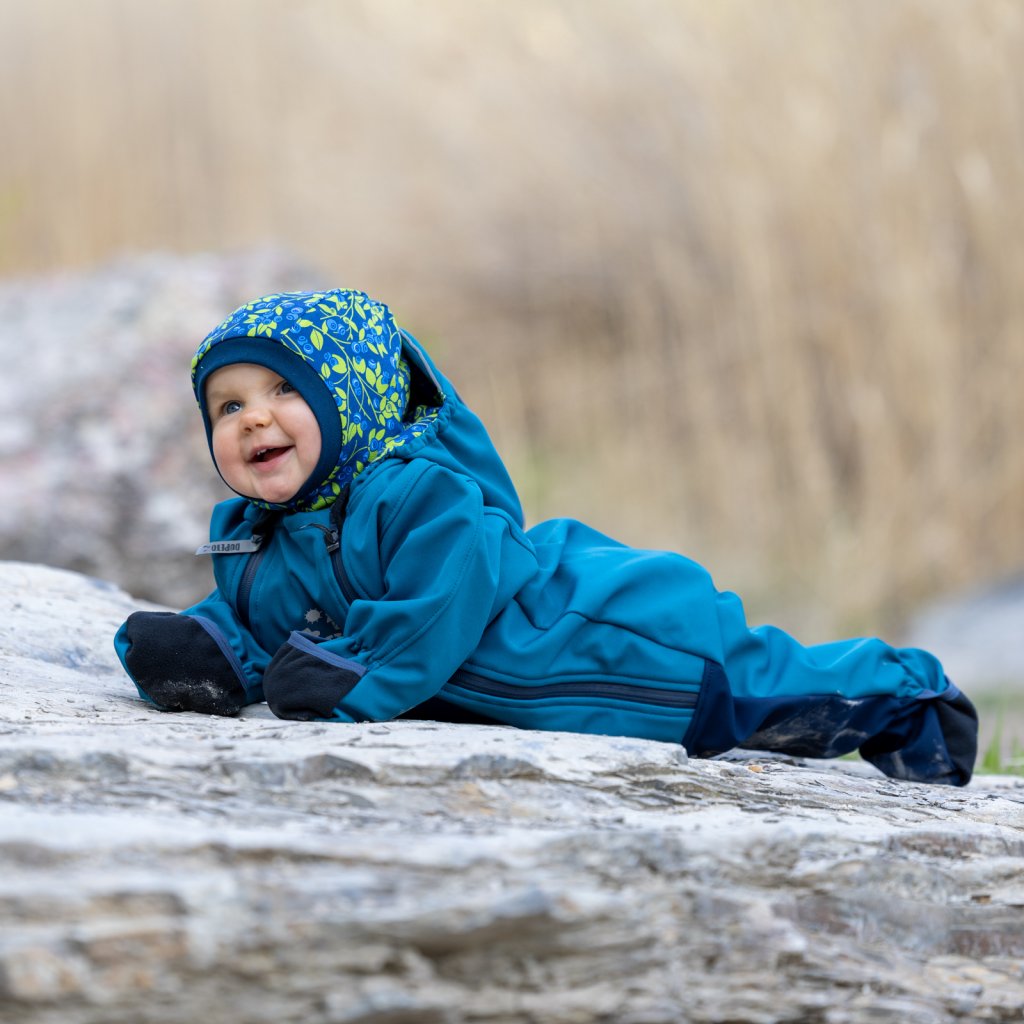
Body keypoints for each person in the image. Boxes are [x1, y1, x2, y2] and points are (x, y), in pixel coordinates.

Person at [114, 288, 978, 786]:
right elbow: (276, 618)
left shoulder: (426, 494)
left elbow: (431, 611)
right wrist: (213, 650)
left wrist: (352, 676)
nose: (253, 417)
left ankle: (909, 697)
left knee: (769, 699)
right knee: (765, 712)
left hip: (618, 638)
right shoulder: (263, 533)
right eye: (228, 406)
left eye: (282, 391)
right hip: (529, 688)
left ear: (354, 396)